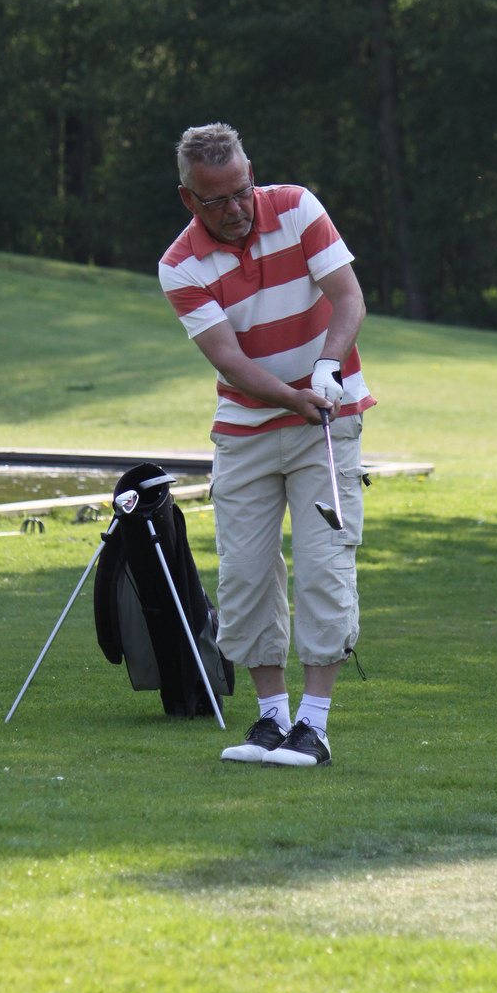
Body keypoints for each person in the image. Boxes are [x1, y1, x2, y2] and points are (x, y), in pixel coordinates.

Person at [158, 123, 375, 767]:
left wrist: (327, 367)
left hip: (325, 422)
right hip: (246, 430)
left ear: (251, 174)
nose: (236, 209)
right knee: (245, 574)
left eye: (241, 191)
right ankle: (271, 719)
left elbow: (348, 299)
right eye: (216, 200)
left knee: (323, 564)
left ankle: (315, 726)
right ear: (188, 198)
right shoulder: (180, 265)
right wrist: (291, 396)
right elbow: (228, 359)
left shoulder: (297, 208)